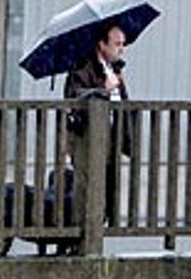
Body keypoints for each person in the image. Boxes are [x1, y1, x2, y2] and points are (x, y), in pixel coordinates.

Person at [64, 23, 134, 227]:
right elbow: (75, 98)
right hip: (87, 139)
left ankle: (98, 228)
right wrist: (103, 88)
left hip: (111, 137)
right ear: (102, 45)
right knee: (87, 191)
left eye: (123, 44)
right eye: (117, 44)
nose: (121, 48)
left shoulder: (115, 69)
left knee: (107, 190)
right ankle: (79, 241)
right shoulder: (82, 67)